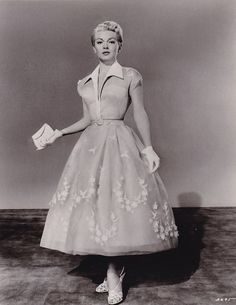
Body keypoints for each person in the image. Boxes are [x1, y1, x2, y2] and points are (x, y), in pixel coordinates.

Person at [39, 20, 179, 305]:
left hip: (120, 144)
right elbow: (88, 119)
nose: (105, 46)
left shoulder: (130, 76)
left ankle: (114, 273)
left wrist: (149, 147)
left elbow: (140, 112)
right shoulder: (84, 83)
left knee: (117, 205)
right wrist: (59, 133)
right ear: (93, 47)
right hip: (90, 147)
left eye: (111, 41)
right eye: (100, 41)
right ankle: (114, 269)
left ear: (119, 46)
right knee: (97, 209)